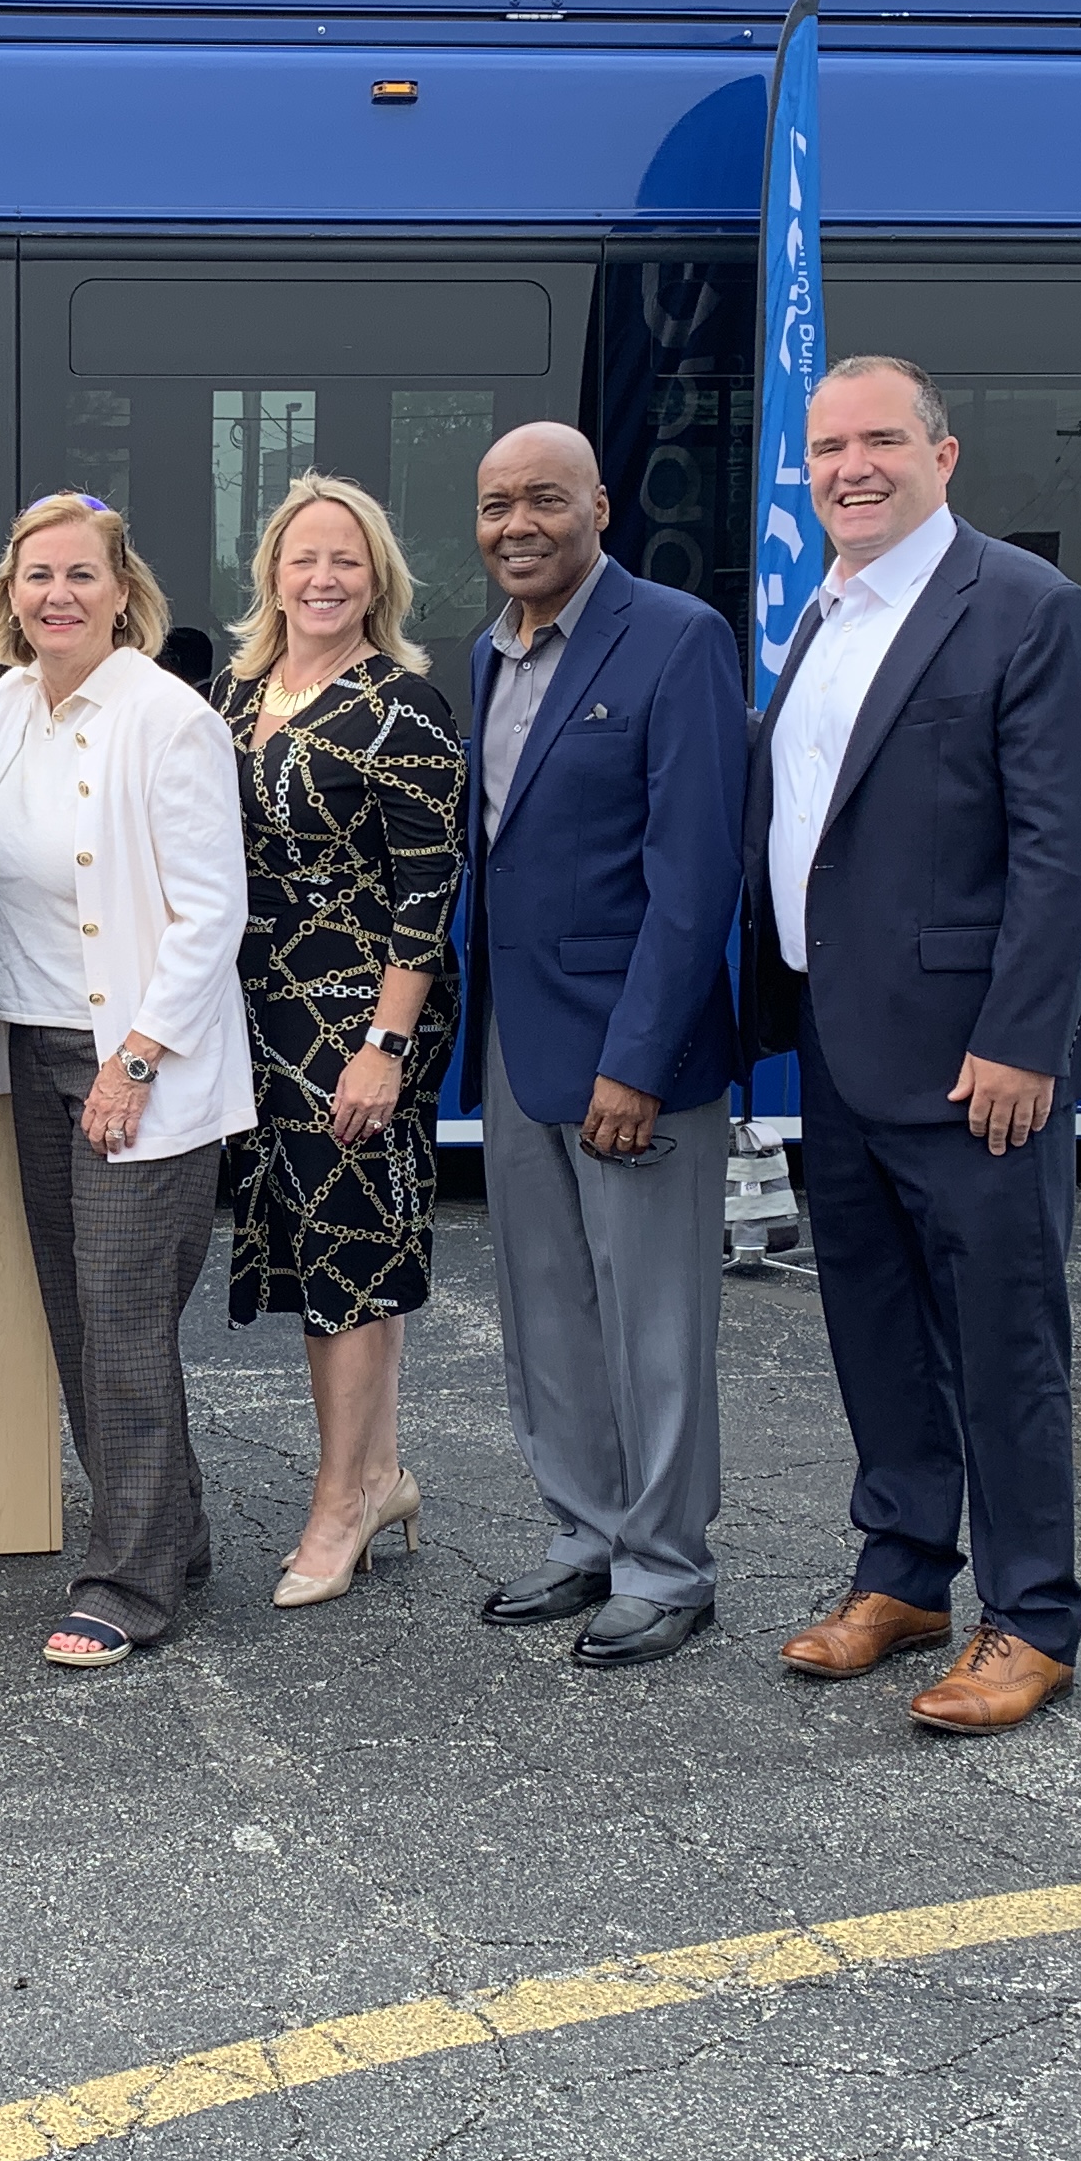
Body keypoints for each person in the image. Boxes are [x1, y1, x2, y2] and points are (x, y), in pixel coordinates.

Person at [749, 356, 1081, 1735]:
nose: (851, 467)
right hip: (846, 1054)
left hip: (980, 1068)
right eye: (828, 447)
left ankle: (1032, 1617)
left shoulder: (1027, 609)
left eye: (881, 442)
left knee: (1004, 1343)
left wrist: (1025, 1039)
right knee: (878, 1330)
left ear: (943, 456)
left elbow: (1066, 842)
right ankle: (903, 1573)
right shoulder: (828, 613)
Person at [461, 423, 748, 1670]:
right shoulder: (489, 653)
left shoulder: (677, 638)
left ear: (600, 507)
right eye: (493, 506)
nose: (516, 525)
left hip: (636, 1058)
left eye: (542, 501)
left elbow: (693, 883)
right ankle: (583, 1535)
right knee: (548, 1314)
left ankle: (668, 1565)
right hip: (520, 1051)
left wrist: (635, 1062)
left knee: (654, 1322)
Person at [0, 491, 253, 1667]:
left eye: (81, 576)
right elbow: (10, 828)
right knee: (78, 1313)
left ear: (123, 593)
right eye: (37, 576)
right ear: (9, 594)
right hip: (35, 1045)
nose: (58, 596)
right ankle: (168, 1529)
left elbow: (209, 911)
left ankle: (128, 1580)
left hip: (132, 1055)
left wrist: (136, 1059)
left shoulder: (168, 718)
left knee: (125, 1320)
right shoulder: (12, 700)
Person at [210, 475, 465, 1609]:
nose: (323, 578)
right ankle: (381, 1475)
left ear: (378, 581)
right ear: (270, 571)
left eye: (347, 562)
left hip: (357, 1018)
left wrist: (386, 1047)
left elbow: (430, 892)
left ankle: (341, 1502)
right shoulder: (233, 691)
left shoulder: (402, 707)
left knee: (348, 1252)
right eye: (304, 558)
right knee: (325, 1244)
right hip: (256, 1013)